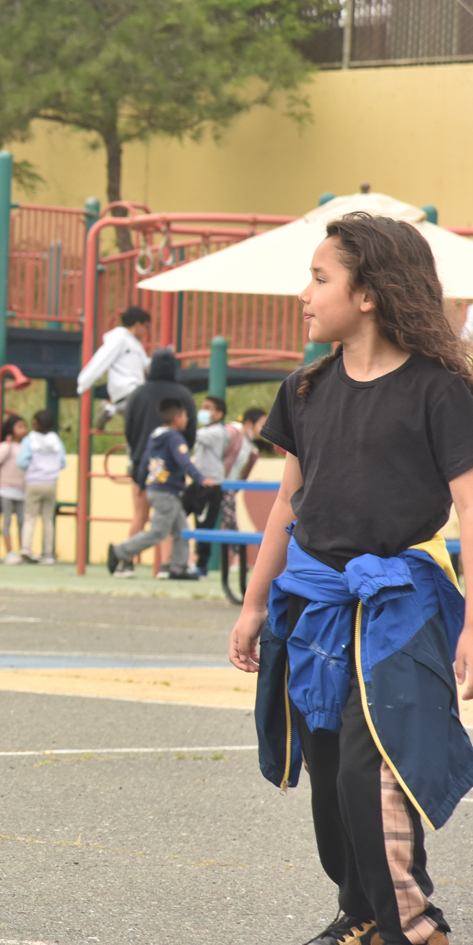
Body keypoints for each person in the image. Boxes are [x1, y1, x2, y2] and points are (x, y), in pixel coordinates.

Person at [229, 212, 473, 945]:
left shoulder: (441, 390)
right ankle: (359, 912)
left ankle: (411, 924)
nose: (304, 293)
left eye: (319, 277)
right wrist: (253, 601)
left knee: (377, 765)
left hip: (399, 603)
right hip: (317, 603)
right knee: (331, 766)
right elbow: (286, 508)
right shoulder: (306, 388)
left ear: (368, 292)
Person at [107, 399, 200, 578]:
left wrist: (142, 484)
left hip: (154, 488)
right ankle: (119, 552)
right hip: (167, 491)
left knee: (182, 529)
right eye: (185, 416)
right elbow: (184, 461)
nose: (187, 420)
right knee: (158, 532)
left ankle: (178, 567)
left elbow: (144, 462)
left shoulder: (154, 437)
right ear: (177, 418)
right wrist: (200, 478)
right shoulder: (174, 438)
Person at [120, 346, 196, 541]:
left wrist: (137, 451)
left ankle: (126, 562)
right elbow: (191, 429)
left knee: (140, 514)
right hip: (172, 466)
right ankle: (166, 565)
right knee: (168, 518)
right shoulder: (182, 393)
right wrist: (182, 451)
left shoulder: (138, 394)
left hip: (141, 463)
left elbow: (128, 428)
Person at [187, 395, 238, 577]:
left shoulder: (217, 432)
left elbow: (190, 434)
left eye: (207, 408)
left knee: (204, 526)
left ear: (218, 414)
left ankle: (201, 565)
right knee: (176, 513)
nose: (203, 411)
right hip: (197, 482)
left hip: (211, 485)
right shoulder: (207, 430)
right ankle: (178, 559)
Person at [76, 305, 152, 426]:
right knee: (145, 412)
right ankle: (111, 410)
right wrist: (83, 382)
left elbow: (146, 364)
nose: (146, 332)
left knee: (138, 423)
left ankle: (110, 410)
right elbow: (102, 359)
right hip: (126, 388)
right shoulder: (119, 338)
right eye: (146, 327)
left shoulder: (136, 344)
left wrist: (163, 358)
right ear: (138, 324)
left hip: (135, 389)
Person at [19, 409, 65, 565]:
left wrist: (33, 468)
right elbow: (63, 462)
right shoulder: (56, 441)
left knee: (30, 517)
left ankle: (26, 548)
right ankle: (47, 554)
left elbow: (22, 461)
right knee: (47, 519)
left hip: (33, 482)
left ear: (36, 423)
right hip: (51, 483)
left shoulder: (29, 440)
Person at [0, 413, 28, 565]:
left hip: (22, 490)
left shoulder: (26, 446)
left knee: (22, 522)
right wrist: (7, 446)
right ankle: (10, 552)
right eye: (19, 426)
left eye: (24, 426)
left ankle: (23, 551)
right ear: (11, 429)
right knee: (6, 520)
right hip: (6, 489)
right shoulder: (6, 446)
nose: (23, 430)